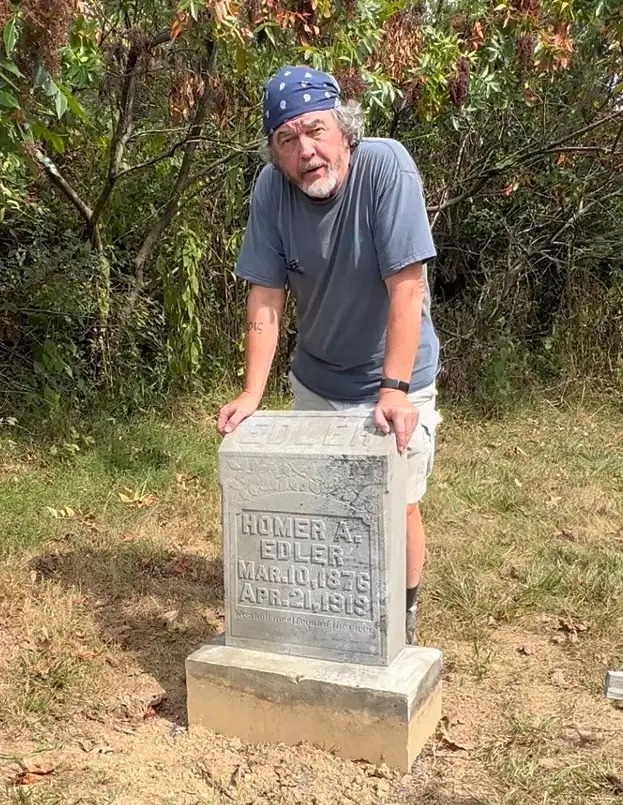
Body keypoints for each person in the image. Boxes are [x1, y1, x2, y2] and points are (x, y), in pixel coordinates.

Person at [217, 65, 441, 645]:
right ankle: (332, 613)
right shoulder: (271, 191)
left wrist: (393, 390)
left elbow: (407, 286)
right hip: (317, 376)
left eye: (316, 131)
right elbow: (265, 292)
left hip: (394, 376)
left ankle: (402, 617)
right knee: (320, 507)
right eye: (287, 140)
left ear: (345, 130)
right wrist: (252, 394)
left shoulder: (387, 166)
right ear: (274, 152)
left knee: (397, 505)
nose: (306, 151)